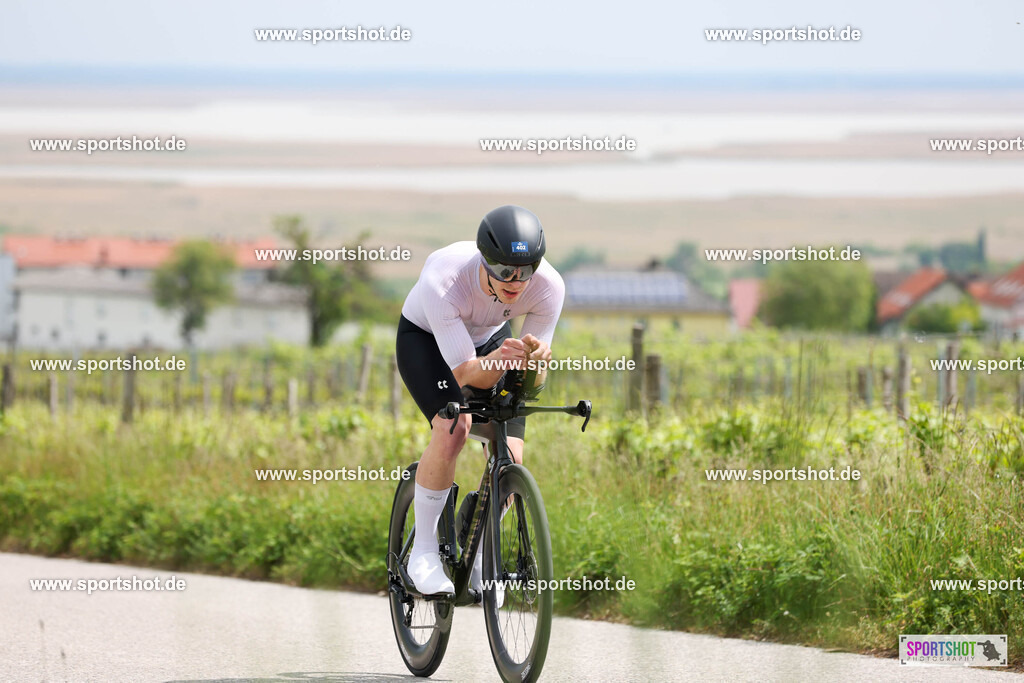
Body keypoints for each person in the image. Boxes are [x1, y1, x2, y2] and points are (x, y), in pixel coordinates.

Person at [395, 205, 565, 595]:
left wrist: (536, 364)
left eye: (525, 270)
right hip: (427, 341)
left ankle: (479, 544)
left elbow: (531, 386)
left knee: (512, 454)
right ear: (485, 260)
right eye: (504, 270)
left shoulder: (549, 286)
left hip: (490, 338)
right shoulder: (445, 279)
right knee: (455, 427)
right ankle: (424, 553)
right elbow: (464, 374)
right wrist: (499, 361)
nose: (515, 281)